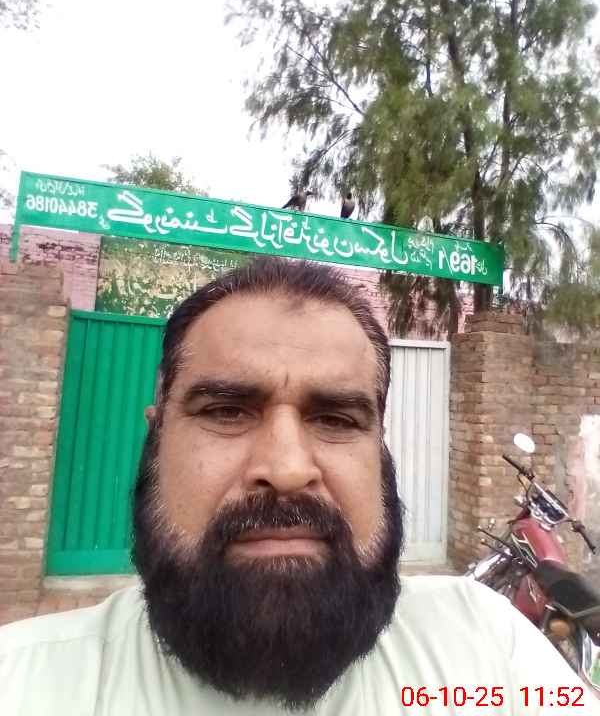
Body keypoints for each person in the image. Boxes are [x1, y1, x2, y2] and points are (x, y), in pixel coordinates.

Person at [0, 256, 597, 715]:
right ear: (156, 438)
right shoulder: (24, 682)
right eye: (226, 411)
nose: (287, 469)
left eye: (336, 419)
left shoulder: (488, 654)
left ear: (380, 452)